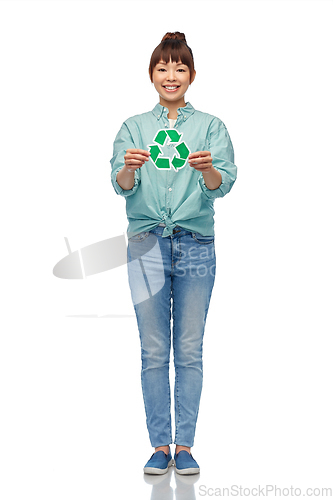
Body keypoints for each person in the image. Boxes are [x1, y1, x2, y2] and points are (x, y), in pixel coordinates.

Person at [110, 32, 237, 475]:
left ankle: (185, 446)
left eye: (179, 68)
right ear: (151, 74)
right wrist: (129, 167)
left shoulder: (211, 127)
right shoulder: (133, 128)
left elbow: (224, 185)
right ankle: (159, 445)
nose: (171, 76)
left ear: (192, 75)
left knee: (188, 347)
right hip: (146, 243)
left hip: (195, 243)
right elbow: (121, 186)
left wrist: (209, 172)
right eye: (163, 68)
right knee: (152, 348)